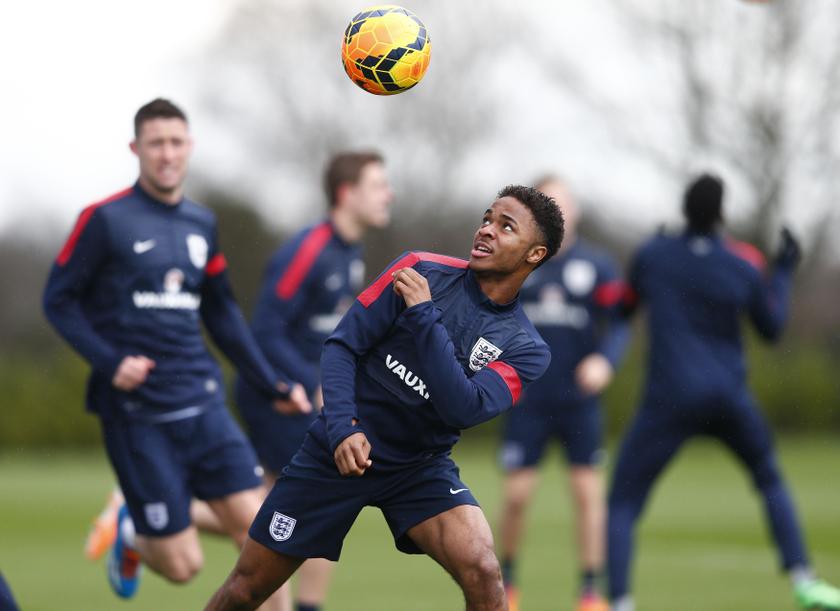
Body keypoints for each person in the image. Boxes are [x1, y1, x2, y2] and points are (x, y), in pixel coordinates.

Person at [205, 184, 565, 611]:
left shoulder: (526, 347)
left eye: (506, 227)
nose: (487, 230)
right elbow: (342, 345)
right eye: (487, 218)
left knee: (484, 570)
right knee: (245, 590)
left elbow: (462, 407)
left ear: (534, 254)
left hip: (418, 469)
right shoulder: (418, 270)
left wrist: (423, 315)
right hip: (338, 452)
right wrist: (342, 429)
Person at [42, 98, 309, 608]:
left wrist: (270, 383)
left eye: (176, 142)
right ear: (136, 149)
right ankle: (134, 534)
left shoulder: (201, 224)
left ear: (189, 148)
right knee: (183, 566)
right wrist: (110, 361)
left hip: (203, 400)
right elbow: (58, 300)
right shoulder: (104, 220)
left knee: (265, 539)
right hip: (137, 414)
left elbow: (223, 313)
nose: (167, 153)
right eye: (156, 143)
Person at [606, 174, 840, 611]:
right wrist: (785, 271)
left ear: (682, 208)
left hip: (669, 399)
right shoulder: (742, 263)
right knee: (768, 477)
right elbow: (771, 328)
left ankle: (620, 602)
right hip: (728, 397)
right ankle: (803, 578)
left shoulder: (654, 254)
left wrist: (647, 261)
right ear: (721, 213)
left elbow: (623, 307)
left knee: (623, 501)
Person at [235, 151, 393, 611]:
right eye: (379, 184)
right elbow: (264, 330)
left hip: (312, 397)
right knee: (317, 499)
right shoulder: (309, 249)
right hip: (281, 396)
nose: (390, 193)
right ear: (347, 193)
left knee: (273, 509)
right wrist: (312, 380)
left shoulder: (351, 251)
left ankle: (149, 518)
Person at [497, 177, 628, 611]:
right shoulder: (520, 259)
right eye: (552, 202)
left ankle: (590, 591)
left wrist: (605, 360)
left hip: (578, 401)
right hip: (527, 400)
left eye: (567, 202)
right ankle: (506, 584)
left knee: (589, 496)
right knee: (516, 497)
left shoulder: (597, 265)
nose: (562, 210)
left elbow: (621, 321)